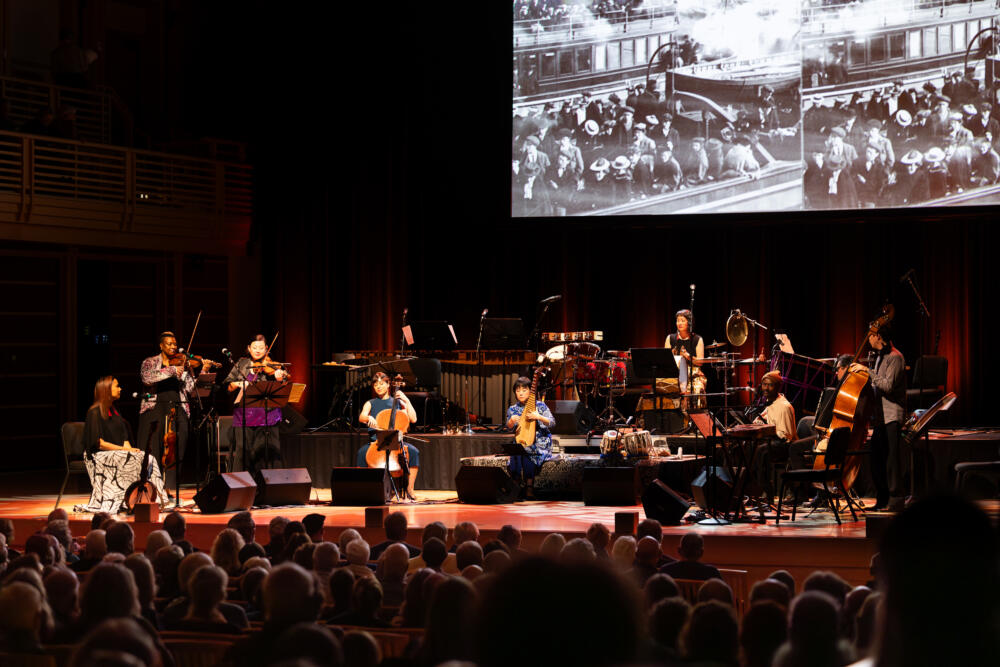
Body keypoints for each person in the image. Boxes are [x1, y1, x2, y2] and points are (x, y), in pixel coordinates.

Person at [83, 376, 167, 513]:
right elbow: (99, 444)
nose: (120, 388)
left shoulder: (115, 412)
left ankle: (151, 498)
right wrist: (124, 450)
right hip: (98, 455)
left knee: (146, 457)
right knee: (127, 458)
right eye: (116, 386)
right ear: (106, 389)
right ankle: (122, 499)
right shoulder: (94, 412)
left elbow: (124, 440)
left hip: (116, 452)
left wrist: (133, 451)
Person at [137, 332, 203, 494]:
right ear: (161, 345)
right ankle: (153, 487)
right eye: (169, 344)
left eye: (174, 343)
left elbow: (189, 389)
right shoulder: (150, 362)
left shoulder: (183, 363)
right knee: (154, 448)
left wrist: (199, 373)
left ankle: (171, 487)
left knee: (177, 447)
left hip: (177, 406)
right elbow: (147, 378)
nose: (173, 346)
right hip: (155, 406)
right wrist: (171, 370)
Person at [226, 335, 290, 474]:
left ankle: (267, 486)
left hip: (267, 415)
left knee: (265, 453)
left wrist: (280, 377)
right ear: (248, 348)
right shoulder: (241, 364)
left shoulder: (272, 365)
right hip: (244, 414)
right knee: (243, 451)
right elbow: (228, 386)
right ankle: (243, 486)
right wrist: (239, 383)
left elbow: (285, 382)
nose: (257, 350)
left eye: (261, 347)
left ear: (267, 349)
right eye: (254, 347)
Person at [357, 372, 420, 501]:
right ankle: (362, 488)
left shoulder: (397, 402)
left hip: (396, 442)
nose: (378, 387)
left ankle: (410, 489)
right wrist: (368, 417)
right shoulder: (371, 403)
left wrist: (406, 400)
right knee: (361, 453)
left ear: (388, 385)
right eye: (375, 385)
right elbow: (361, 417)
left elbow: (413, 419)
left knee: (414, 452)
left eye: (381, 384)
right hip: (377, 442)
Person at [864, 323, 906, 511]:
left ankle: (896, 500)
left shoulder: (895, 358)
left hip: (892, 416)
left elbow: (888, 386)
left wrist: (868, 372)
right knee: (876, 458)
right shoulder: (880, 357)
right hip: (881, 416)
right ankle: (882, 498)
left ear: (879, 336)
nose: (869, 338)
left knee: (892, 460)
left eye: (871, 335)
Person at [504, 375, 555, 499]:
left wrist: (539, 417)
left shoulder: (540, 406)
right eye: (518, 390)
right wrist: (510, 421)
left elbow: (552, 423)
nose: (520, 393)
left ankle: (529, 486)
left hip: (540, 442)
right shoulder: (513, 409)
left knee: (527, 450)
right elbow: (509, 427)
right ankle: (516, 484)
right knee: (516, 449)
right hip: (522, 440)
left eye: (524, 390)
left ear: (530, 392)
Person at [661, 309, 706, 408]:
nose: (679, 323)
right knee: (660, 388)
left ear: (689, 323)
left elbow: (700, 362)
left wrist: (687, 356)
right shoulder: (670, 338)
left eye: (682, 320)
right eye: (678, 320)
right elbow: (665, 360)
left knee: (698, 389)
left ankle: (695, 416)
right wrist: (671, 355)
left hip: (693, 374)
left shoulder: (697, 339)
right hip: (675, 373)